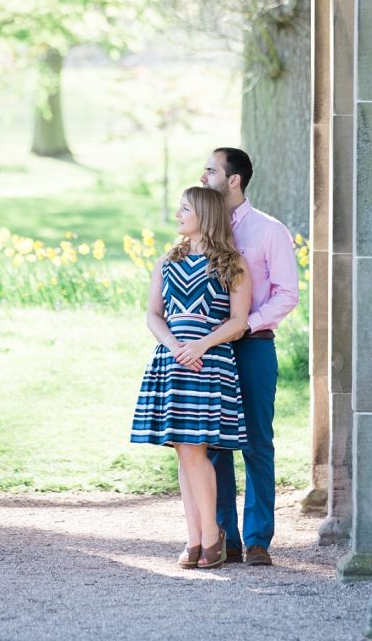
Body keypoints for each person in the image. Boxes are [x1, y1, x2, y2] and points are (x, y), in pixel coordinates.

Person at [130, 186, 252, 569]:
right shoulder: (166, 262)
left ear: (204, 215)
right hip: (172, 362)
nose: (179, 214)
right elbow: (153, 314)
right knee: (184, 453)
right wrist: (173, 345)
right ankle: (195, 538)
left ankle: (212, 537)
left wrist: (199, 346)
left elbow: (238, 322)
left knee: (196, 452)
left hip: (209, 362)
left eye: (185, 209)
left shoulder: (233, 263)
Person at [201, 147, 299, 567]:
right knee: (215, 444)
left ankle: (258, 539)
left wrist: (246, 322)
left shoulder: (269, 231)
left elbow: (287, 294)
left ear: (234, 179)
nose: (203, 177)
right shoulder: (202, 230)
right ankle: (226, 536)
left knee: (257, 442)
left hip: (255, 345)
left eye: (210, 170)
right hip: (210, 350)